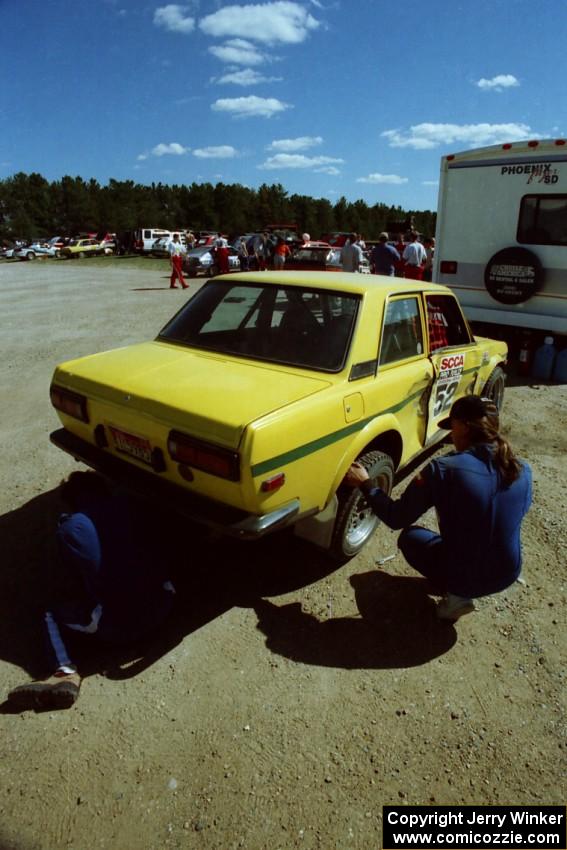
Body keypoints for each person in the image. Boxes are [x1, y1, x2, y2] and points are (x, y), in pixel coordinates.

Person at [344, 396, 532, 622]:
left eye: (452, 427)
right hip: (506, 574)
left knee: (410, 537)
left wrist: (366, 484)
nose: (451, 436)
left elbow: (396, 517)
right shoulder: (523, 470)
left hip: (464, 576)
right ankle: (462, 586)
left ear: (463, 426)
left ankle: (458, 597)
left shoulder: (444, 469)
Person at [7, 472, 177, 709]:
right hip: (164, 606)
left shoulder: (71, 529)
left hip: (120, 627)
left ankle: (65, 672)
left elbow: (74, 579)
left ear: (72, 501)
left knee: (51, 613)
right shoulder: (134, 505)